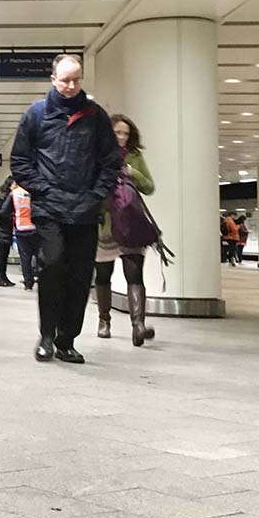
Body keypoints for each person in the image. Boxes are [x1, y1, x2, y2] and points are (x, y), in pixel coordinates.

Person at [10, 54, 121, 364]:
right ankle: (46, 335)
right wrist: (43, 189)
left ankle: (66, 340)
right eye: (65, 80)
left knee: (81, 275)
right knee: (53, 264)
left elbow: (111, 161)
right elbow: (19, 161)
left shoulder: (95, 116)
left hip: (85, 209)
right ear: (53, 80)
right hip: (49, 208)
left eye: (76, 80)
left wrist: (97, 194)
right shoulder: (36, 114)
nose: (71, 86)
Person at [93, 114, 156, 345]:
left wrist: (132, 172)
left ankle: (138, 325)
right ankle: (104, 320)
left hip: (130, 223)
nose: (122, 137)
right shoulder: (97, 155)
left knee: (134, 273)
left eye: (126, 133)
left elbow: (149, 187)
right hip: (105, 225)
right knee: (103, 275)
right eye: (118, 132)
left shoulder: (135, 156)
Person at [0, 180, 39, 291]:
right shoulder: (35, 190)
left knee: (25, 258)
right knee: (40, 256)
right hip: (36, 228)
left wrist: (14, 215)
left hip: (21, 228)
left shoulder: (15, 193)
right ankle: (44, 280)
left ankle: (28, 283)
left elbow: (3, 211)